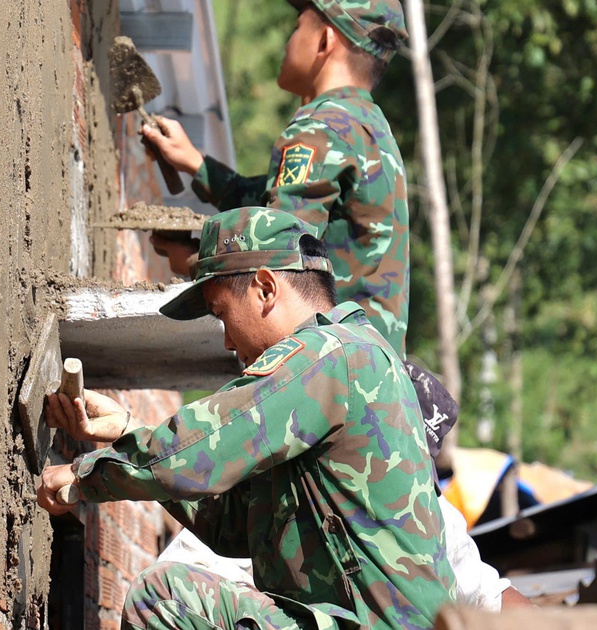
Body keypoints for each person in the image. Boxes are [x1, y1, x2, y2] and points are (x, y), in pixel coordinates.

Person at [39, 207, 455, 629]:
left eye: (221, 313)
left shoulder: (330, 354)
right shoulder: (352, 360)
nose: (226, 341)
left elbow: (205, 443)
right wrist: (130, 432)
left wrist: (85, 475)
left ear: (266, 288)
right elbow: (235, 525)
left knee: (165, 598)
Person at [143, 0, 414, 356]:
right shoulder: (367, 127)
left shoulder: (320, 128)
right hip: (368, 365)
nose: (289, 40)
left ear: (325, 40)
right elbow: (277, 203)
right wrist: (195, 163)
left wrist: (195, 261)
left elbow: (276, 259)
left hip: (330, 363)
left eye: (298, 26)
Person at [155, 360, 535, 611]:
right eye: (396, 462)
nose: (401, 483)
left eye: (413, 471)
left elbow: (490, 597)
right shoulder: (276, 495)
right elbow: (178, 586)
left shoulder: (431, 517)